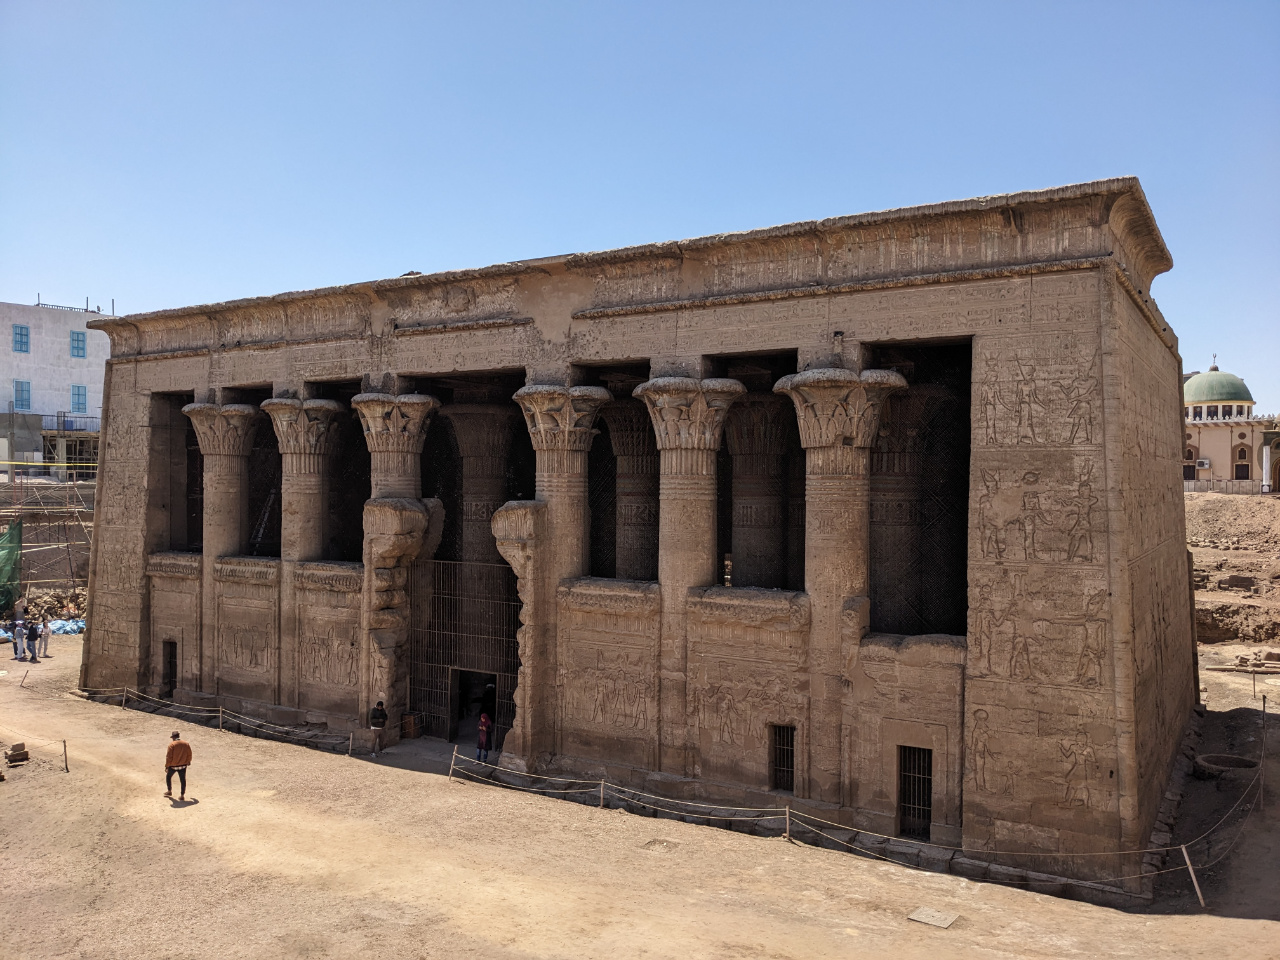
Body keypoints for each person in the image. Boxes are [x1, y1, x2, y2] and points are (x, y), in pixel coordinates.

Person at [164, 731, 192, 800]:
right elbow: (189, 754)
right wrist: (188, 761)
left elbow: (169, 757)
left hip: (173, 766)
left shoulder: (172, 745)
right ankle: (182, 795)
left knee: (168, 777)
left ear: (173, 737)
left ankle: (169, 791)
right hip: (183, 766)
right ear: (178, 736)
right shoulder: (186, 744)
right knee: (182, 780)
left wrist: (167, 766)